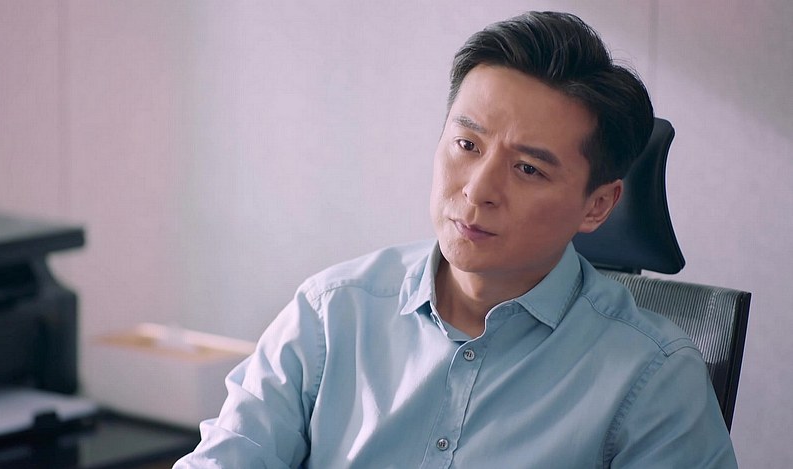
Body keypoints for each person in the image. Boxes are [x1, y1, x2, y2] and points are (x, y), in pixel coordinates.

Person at [175, 11, 736, 468]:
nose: (478, 190)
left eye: (528, 169)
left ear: (598, 206)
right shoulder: (331, 313)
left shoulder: (654, 378)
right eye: (467, 145)